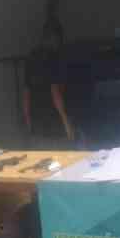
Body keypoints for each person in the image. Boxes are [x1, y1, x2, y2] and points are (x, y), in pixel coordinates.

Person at [23, 19, 74, 148]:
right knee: (60, 157)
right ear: (55, 38)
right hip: (54, 124)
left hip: (37, 123)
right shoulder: (54, 57)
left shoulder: (31, 58)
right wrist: (66, 122)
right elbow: (55, 92)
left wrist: (28, 119)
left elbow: (26, 92)